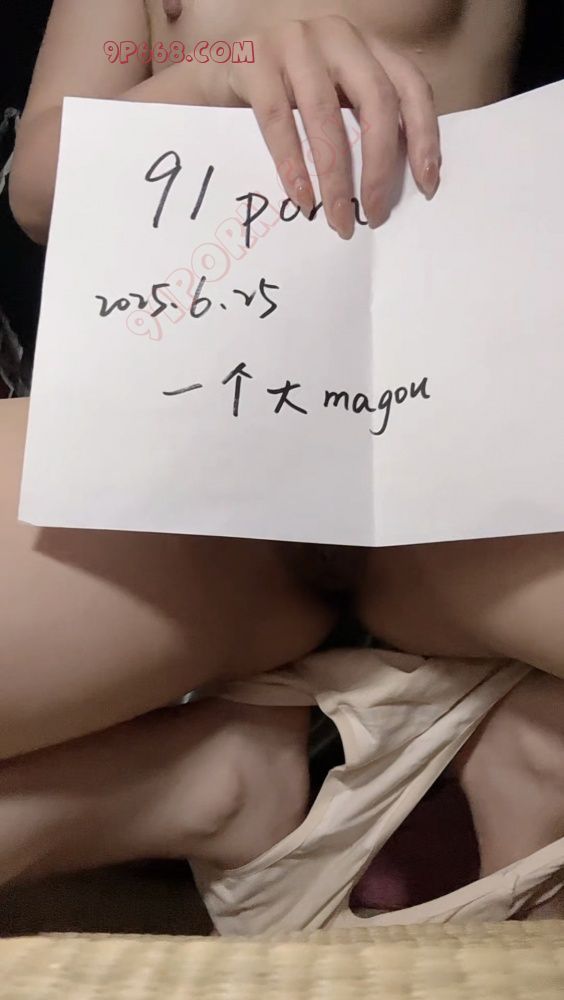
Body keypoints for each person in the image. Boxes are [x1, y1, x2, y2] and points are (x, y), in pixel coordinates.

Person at [1, 0, 564, 919]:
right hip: (182, 464)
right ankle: (206, 780)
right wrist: (211, 77)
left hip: (451, 481)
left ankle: (523, 743)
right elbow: (37, 185)